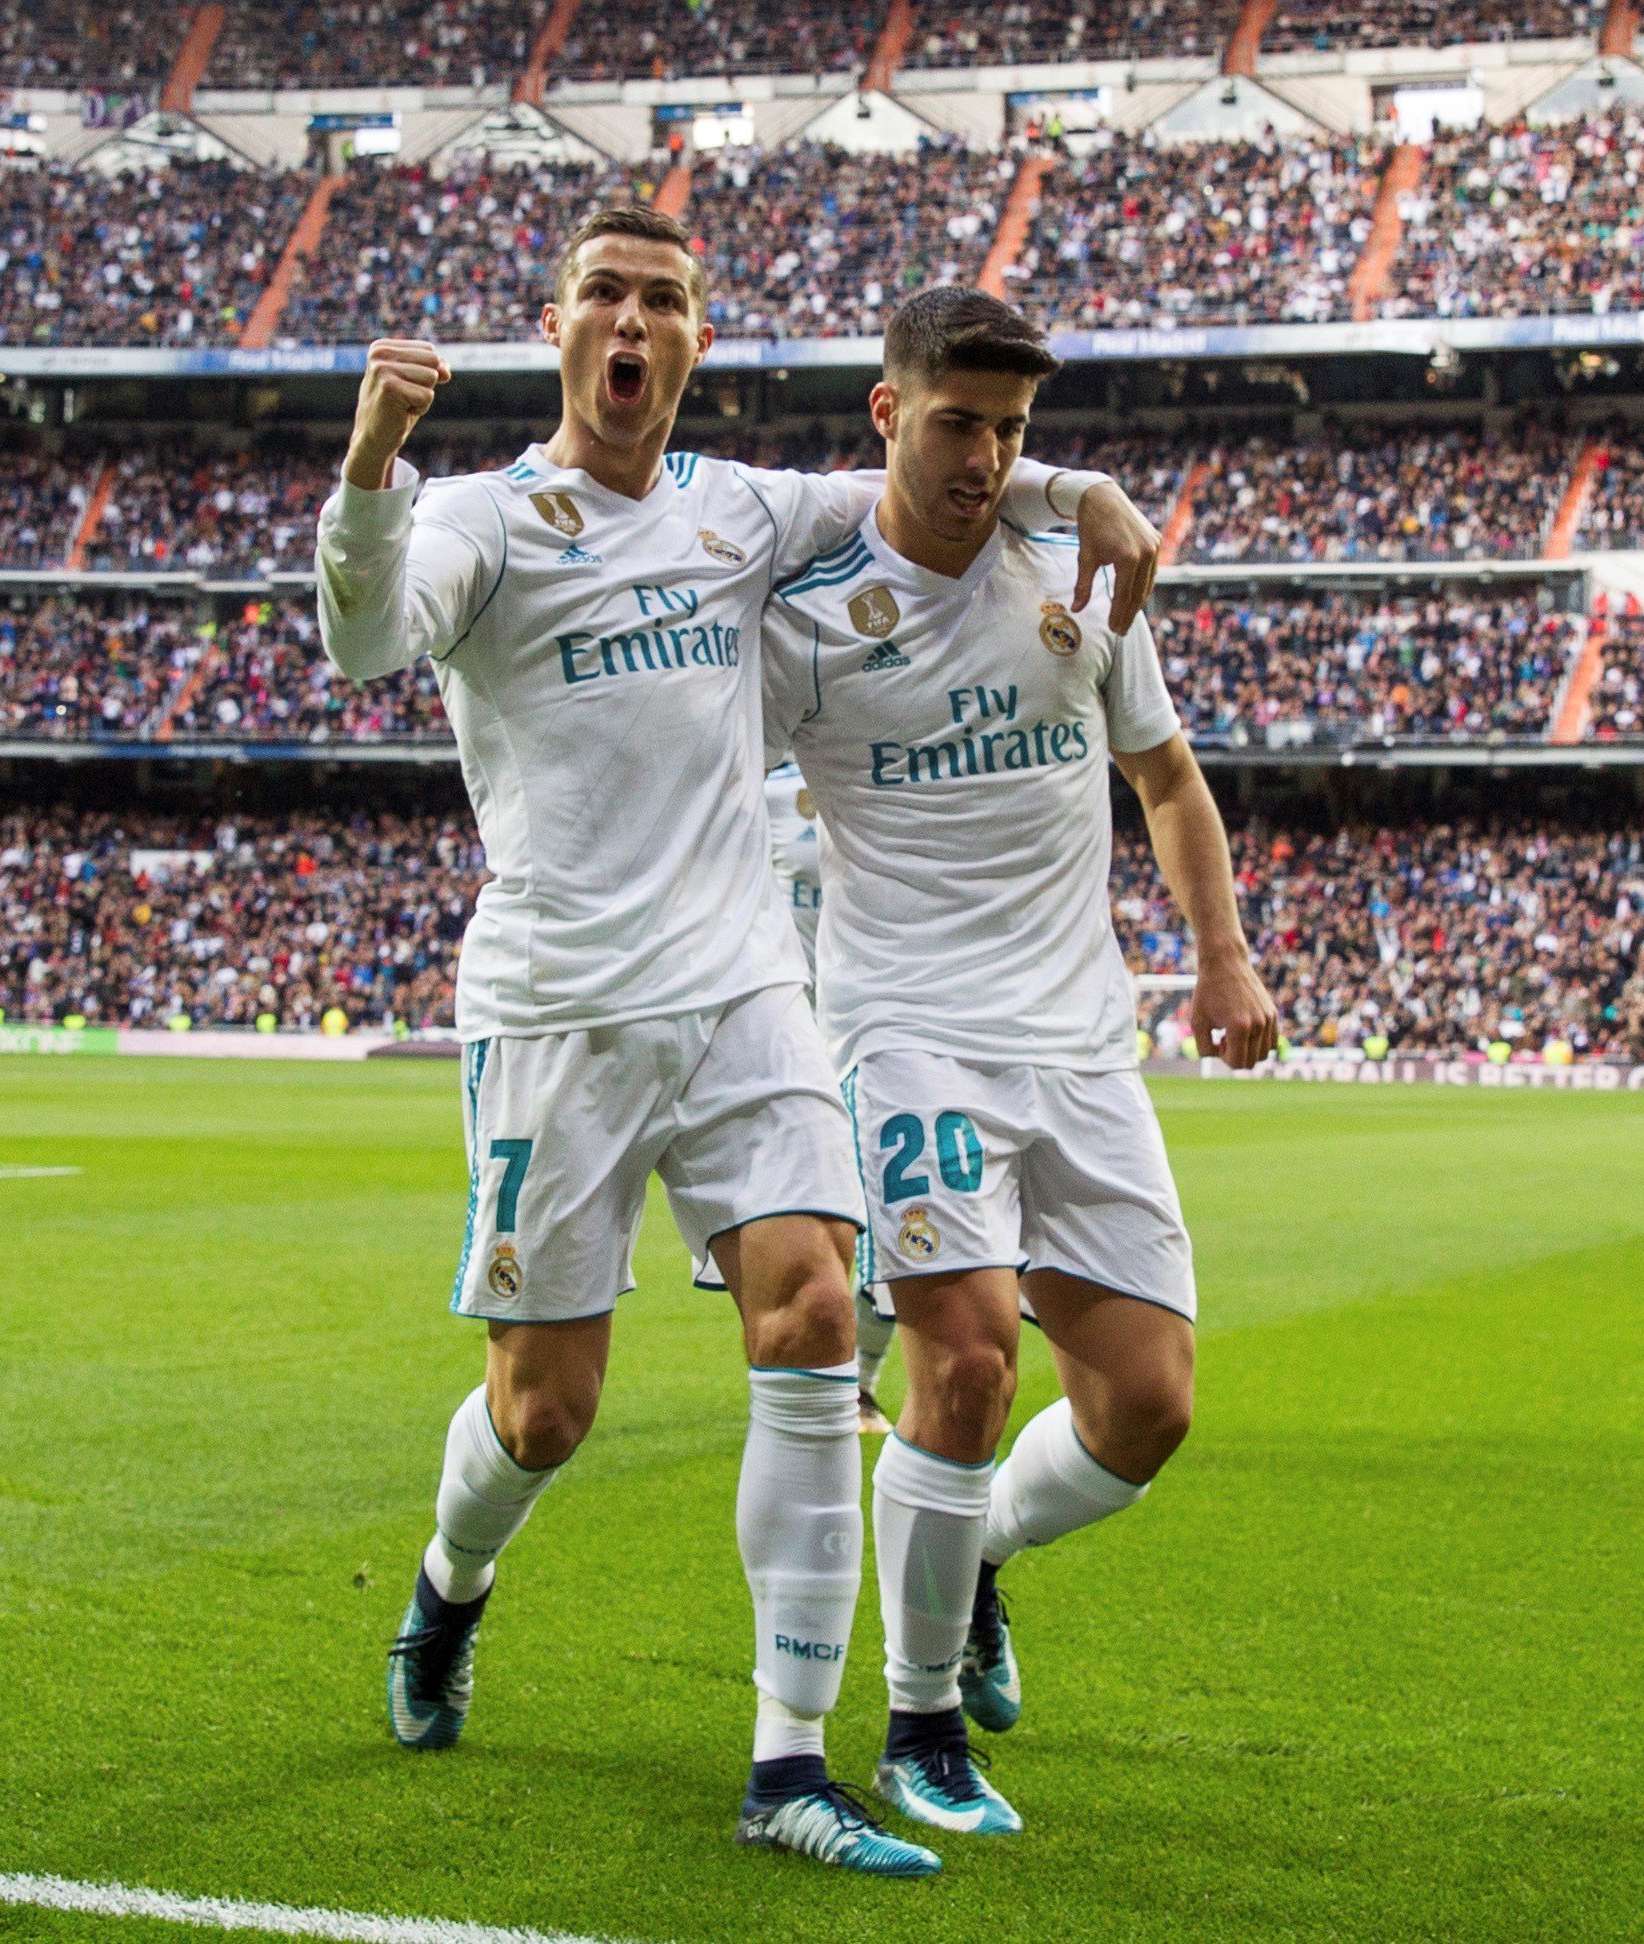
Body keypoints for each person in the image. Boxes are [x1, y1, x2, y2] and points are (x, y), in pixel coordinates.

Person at [314, 205, 1162, 1877]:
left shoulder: (738, 508)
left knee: (815, 1309)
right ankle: (447, 1583)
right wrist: (368, 467)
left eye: (668, 302)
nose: (635, 322)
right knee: (546, 1408)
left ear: (696, 341)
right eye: (607, 295)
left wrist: (1079, 493)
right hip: (557, 1005)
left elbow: (934, 477)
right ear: (559, 323)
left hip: (746, 991)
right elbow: (362, 642)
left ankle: (786, 1760)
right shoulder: (479, 515)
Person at [758, 287, 1279, 1839]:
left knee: (1146, 1406)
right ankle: (918, 1731)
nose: (986, 458)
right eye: (956, 422)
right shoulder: (804, 612)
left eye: (1013, 432)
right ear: (886, 414)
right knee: (969, 1360)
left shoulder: (1078, 573)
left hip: (1078, 1037)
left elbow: (1166, 779)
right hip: (904, 1028)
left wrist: (1222, 953)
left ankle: (974, 1551)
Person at [762, 762, 899, 1437]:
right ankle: (811, 1376)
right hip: (780, 1037)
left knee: (890, 1217)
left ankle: (858, 1384)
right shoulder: (753, 782)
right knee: (810, 1227)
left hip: (875, 1027)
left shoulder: (881, 749)